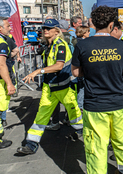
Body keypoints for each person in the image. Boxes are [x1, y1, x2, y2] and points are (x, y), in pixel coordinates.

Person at [71, 6, 123, 174]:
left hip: (94, 105)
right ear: (111, 24)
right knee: (122, 141)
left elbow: (76, 72)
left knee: (96, 146)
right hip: (118, 101)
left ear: (93, 23)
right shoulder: (121, 46)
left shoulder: (82, 45)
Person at [17, 19, 83, 155]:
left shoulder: (61, 45)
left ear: (56, 31)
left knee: (74, 114)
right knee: (41, 115)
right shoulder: (49, 45)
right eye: (44, 28)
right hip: (50, 87)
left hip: (64, 87)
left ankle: (83, 132)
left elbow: (59, 65)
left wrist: (37, 71)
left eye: (49, 28)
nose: (45, 30)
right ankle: (31, 144)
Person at [0, 17, 16, 149]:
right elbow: (1, 65)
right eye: (7, 26)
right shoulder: (2, 43)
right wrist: (9, 83)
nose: (10, 28)